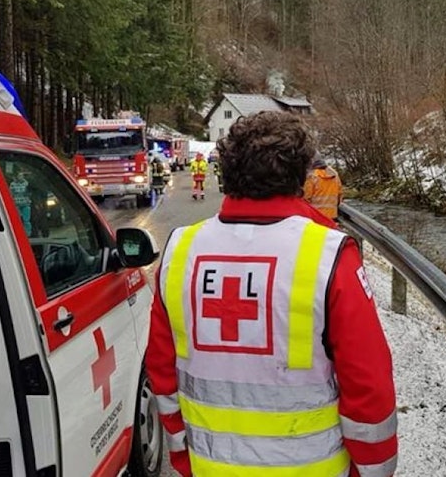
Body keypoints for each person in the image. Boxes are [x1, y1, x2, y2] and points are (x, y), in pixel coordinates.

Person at [147, 111, 398, 477]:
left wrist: (181, 454)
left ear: (227, 172)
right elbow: (368, 384)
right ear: (300, 176)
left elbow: (162, 369)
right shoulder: (329, 255)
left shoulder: (180, 251)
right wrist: (375, 470)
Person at [303, 154, 344, 222]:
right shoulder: (334, 174)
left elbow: (306, 197)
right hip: (332, 215)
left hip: (316, 215)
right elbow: (340, 194)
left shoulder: (312, 176)